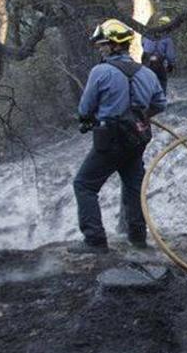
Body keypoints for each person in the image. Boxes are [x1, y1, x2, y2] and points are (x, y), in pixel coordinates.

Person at [69, 19, 167, 254]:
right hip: (137, 140)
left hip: (109, 140)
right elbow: (160, 103)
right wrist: (140, 116)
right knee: (134, 187)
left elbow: (85, 109)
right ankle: (138, 238)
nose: (100, 49)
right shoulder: (147, 73)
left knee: (84, 184)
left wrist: (90, 118)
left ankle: (94, 240)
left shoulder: (100, 72)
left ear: (114, 46)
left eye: (103, 45)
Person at [142, 16, 178, 94]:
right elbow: (170, 55)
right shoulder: (167, 39)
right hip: (158, 64)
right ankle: (161, 100)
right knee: (162, 81)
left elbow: (143, 45)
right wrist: (171, 65)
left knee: (147, 82)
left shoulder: (148, 35)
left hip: (146, 63)